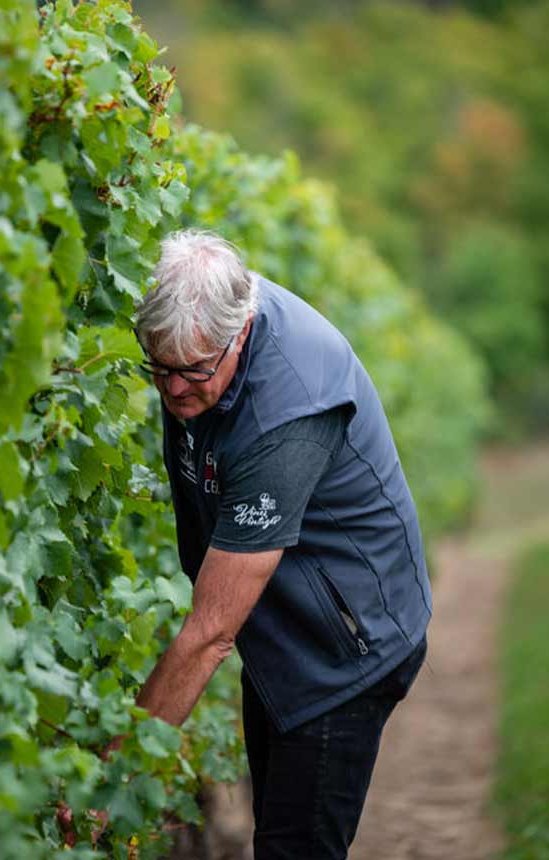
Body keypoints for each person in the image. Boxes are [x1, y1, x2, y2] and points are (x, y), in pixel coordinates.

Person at [128, 229, 432, 858]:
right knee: (278, 832)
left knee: (294, 848)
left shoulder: (286, 416)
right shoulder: (202, 337)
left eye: (192, 371)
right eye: (159, 367)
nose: (174, 388)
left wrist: (118, 772)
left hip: (343, 650)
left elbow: (212, 631)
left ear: (239, 334)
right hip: (286, 625)